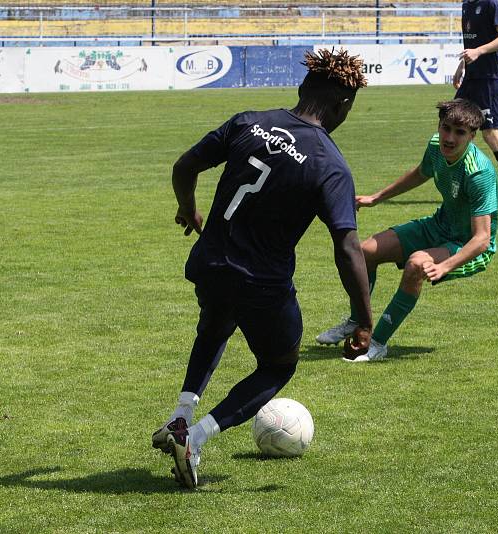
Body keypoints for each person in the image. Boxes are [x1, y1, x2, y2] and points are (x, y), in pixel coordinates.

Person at [152, 49, 373, 490]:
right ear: (343, 105)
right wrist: (364, 320)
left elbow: (184, 165)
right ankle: (193, 438)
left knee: (214, 326)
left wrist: (186, 209)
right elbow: (347, 246)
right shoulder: (331, 165)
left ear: (301, 89)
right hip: (261, 283)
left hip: (210, 262)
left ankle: (179, 417)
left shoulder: (248, 121)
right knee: (277, 366)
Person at [316, 99, 498, 362]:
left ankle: (377, 343)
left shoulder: (478, 172)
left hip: (467, 245)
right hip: (438, 226)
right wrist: (377, 197)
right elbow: (420, 173)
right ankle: (357, 320)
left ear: (472, 135)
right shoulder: (436, 145)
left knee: (416, 265)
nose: (449, 138)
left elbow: (481, 239)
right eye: (446, 128)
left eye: (459, 133)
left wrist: (446, 266)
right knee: (364, 251)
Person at [452, 0, 498, 204]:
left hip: (488, 80)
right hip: (471, 78)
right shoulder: (466, 5)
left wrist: (479, 51)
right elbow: (471, 45)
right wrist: (461, 66)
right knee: (454, 122)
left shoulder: (491, 3)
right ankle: (464, 183)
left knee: (489, 133)